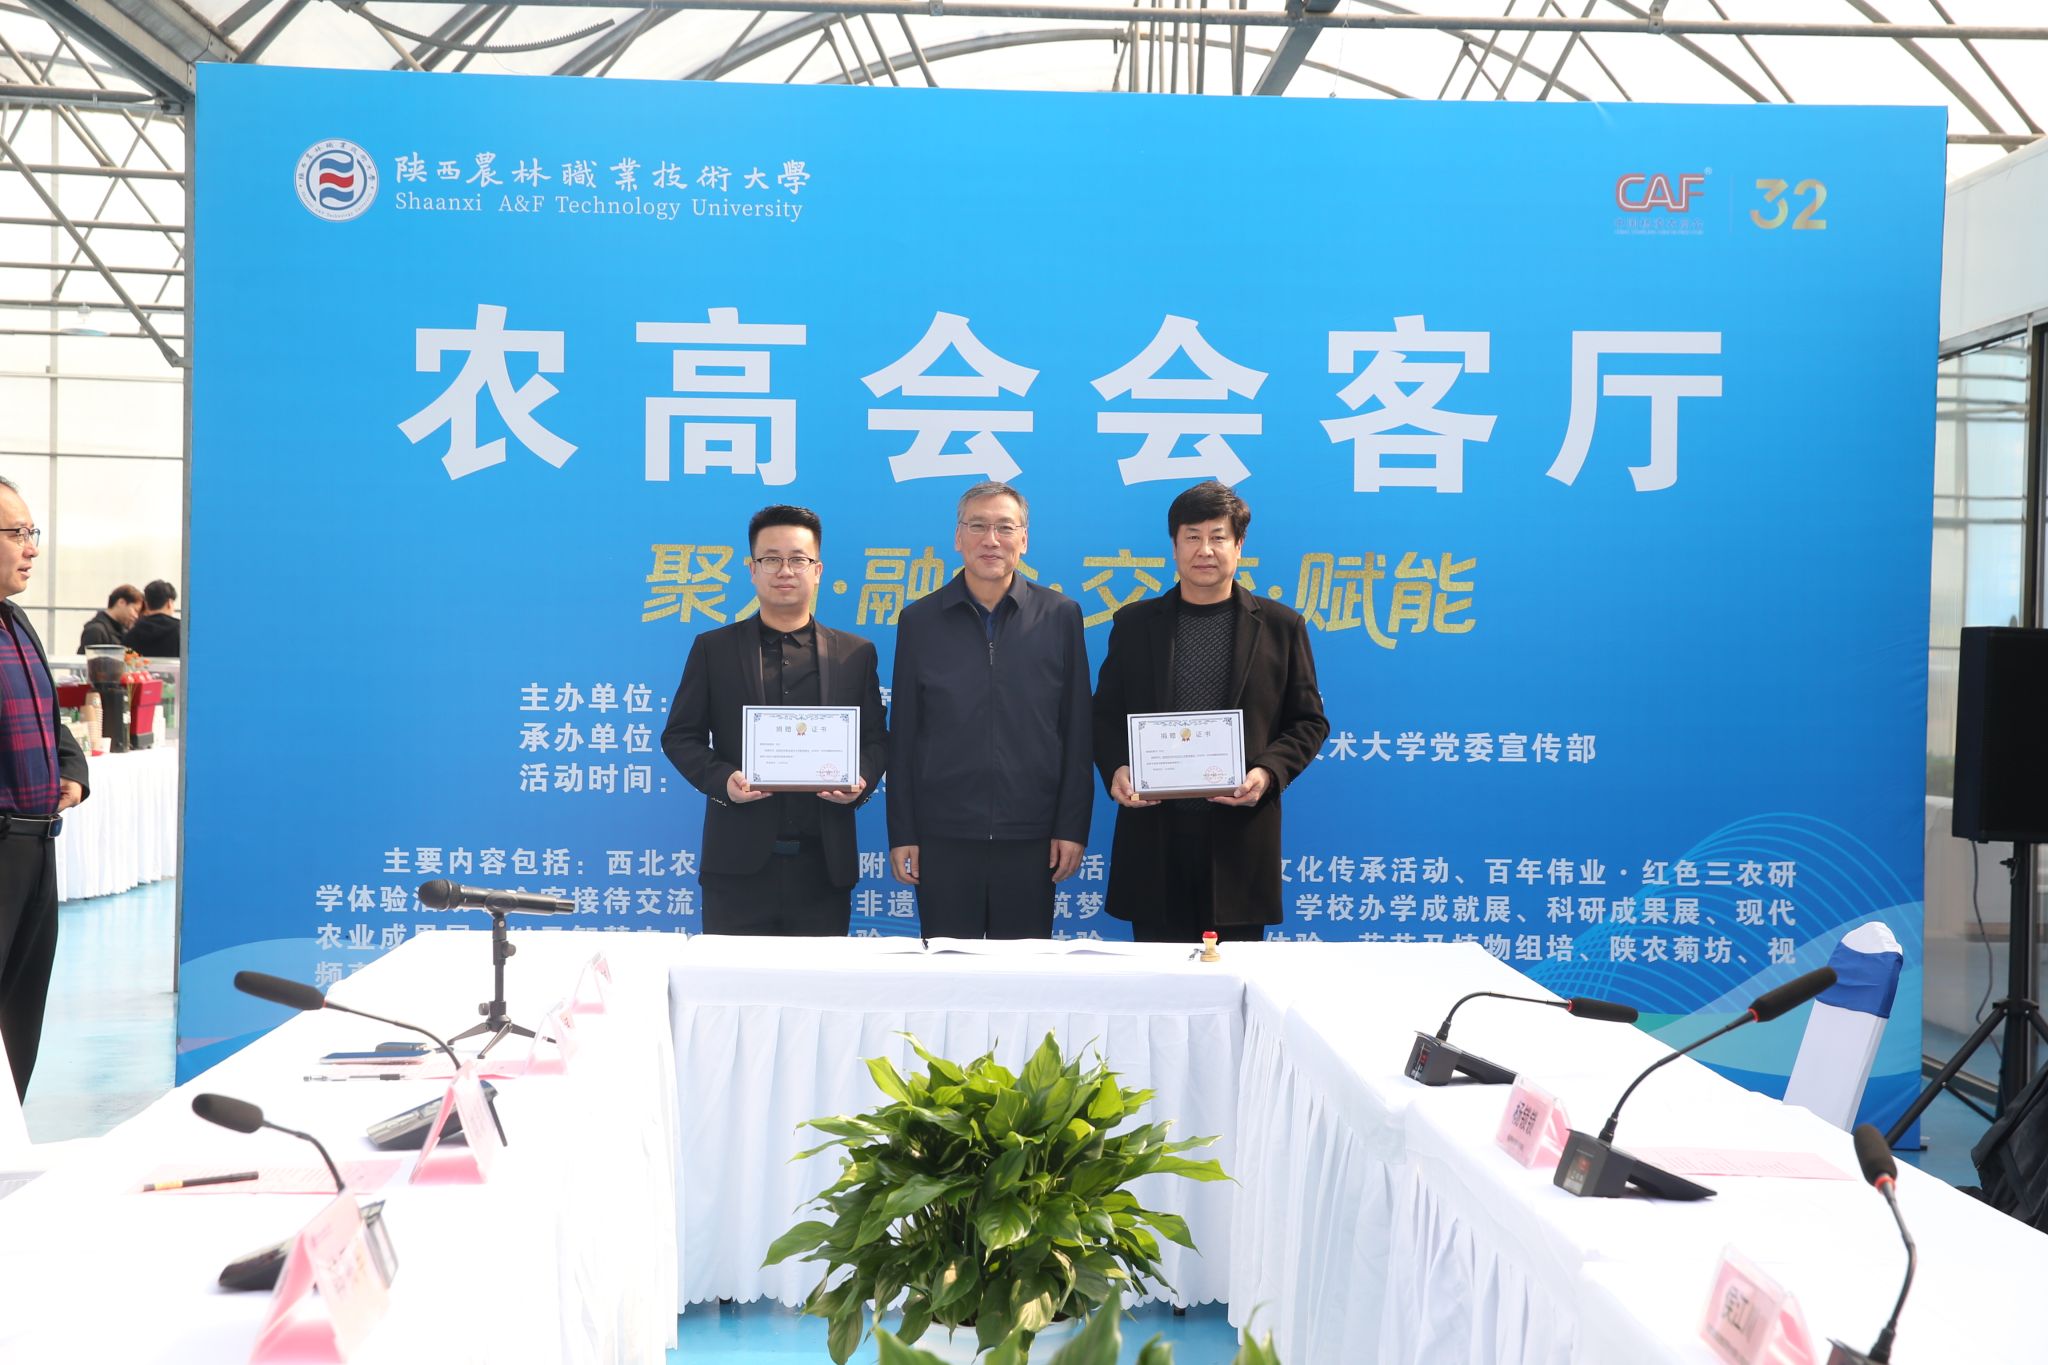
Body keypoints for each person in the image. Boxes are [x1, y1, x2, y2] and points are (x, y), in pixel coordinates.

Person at [1092, 480, 1328, 943]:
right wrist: (1118, 766)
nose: (1205, 550)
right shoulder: (1134, 624)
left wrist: (1267, 773)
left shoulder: (1281, 626)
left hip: (1240, 839)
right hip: (1155, 839)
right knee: (1159, 981)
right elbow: (1104, 714)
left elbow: (1309, 721)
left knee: (1233, 980)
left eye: (1218, 537)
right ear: (1174, 546)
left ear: (1238, 546)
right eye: (1192, 537)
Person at [661, 505, 886, 935]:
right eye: (771, 559)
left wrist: (858, 779)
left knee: (819, 980)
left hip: (824, 868)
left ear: (817, 570)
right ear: (752, 569)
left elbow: (876, 739)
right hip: (737, 867)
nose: (785, 570)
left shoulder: (855, 654)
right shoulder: (713, 649)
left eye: (798, 559)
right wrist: (723, 780)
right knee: (730, 980)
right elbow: (680, 736)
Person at [888, 480, 1091, 939]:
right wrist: (904, 833)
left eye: (1005, 527)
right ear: (958, 538)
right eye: (977, 526)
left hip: (1033, 835)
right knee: (947, 971)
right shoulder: (920, 620)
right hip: (943, 835)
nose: (991, 540)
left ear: (1024, 539)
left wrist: (1071, 826)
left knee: (1022, 976)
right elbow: (904, 735)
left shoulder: (1060, 616)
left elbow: (1077, 729)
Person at [0, 478, 88, 1100]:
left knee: (19, 1012)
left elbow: (48, 716)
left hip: (35, 849)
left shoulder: (16, 620)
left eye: (33, 532)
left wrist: (73, 770)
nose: (32, 548)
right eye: (16, 533)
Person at [123, 579, 179, 658]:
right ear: (169, 603)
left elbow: (127, 659)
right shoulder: (182, 631)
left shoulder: (132, 633)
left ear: (146, 604)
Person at [78, 585, 141, 652]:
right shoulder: (96, 631)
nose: (136, 616)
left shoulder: (122, 631)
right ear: (121, 602)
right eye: (135, 610)